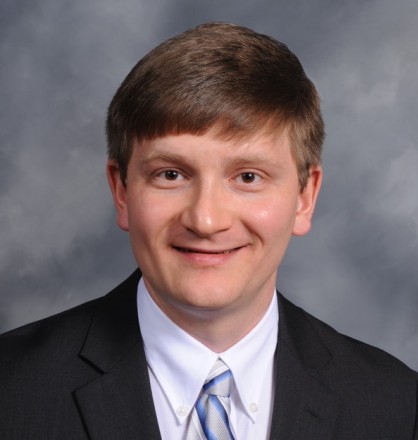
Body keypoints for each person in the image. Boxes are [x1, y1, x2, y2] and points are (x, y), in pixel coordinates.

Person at [0, 22, 417, 440]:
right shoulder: (12, 392)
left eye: (248, 177)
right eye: (171, 174)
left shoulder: (397, 407)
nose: (206, 220)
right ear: (121, 191)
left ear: (304, 198)